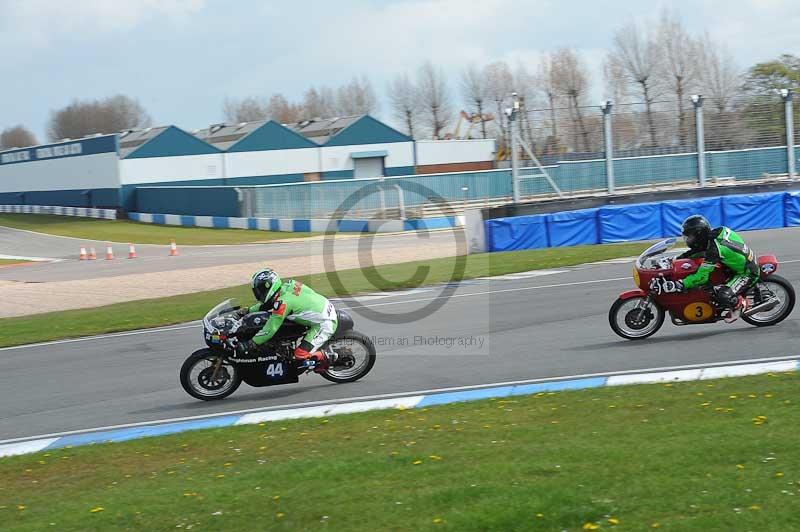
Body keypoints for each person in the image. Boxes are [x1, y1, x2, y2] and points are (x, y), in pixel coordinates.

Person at [236, 268, 338, 371]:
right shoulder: (289, 285)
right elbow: (267, 305)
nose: (259, 293)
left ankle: (328, 357)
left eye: (261, 289)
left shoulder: (283, 304)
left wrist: (252, 343)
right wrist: (248, 310)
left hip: (324, 322)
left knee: (300, 355)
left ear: (270, 286)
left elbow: (270, 329)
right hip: (324, 306)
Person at [676, 215, 759, 322]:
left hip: (747, 273)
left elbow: (702, 277)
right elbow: (699, 250)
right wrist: (678, 259)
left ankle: (740, 304)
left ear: (699, 234)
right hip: (737, 264)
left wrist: (682, 283)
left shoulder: (714, 251)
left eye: (690, 237)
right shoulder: (718, 231)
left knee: (723, 295)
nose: (688, 240)